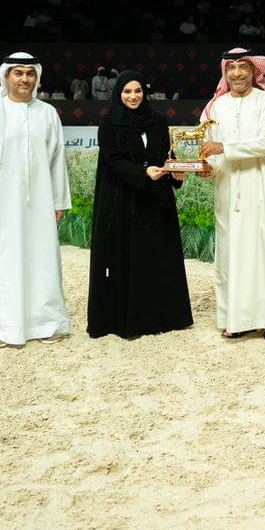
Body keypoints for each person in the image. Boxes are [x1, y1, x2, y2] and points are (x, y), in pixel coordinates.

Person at [0, 52, 72, 349]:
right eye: (18, 73)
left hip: (40, 202)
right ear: (6, 76)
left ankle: (46, 323)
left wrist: (58, 201)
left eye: (30, 73)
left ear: (37, 77)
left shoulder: (47, 113)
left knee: (42, 259)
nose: (25, 79)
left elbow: (57, 161)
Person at [87, 70, 193, 339]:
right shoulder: (109, 122)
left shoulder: (158, 121)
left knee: (156, 256)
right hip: (123, 201)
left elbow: (166, 155)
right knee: (127, 256)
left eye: (137, 91)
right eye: (127, 91)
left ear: (144, 93)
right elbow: (112, 159)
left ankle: (162, 317)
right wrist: (142, 173)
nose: (133, 96)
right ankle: (128, 320)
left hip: (156, 201)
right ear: (118, 93)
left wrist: (176, 173)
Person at [199, 47, 265, 343]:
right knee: (230, 255)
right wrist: (207, 167)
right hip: (228, 190)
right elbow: (208, 147)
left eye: (243, 67)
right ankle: (235, 319)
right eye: (231, 68)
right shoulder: (215, 107)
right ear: (224, 72)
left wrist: (224, 148)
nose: (237, 73)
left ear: (254, 70)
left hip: (261, 188)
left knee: (264, 253)